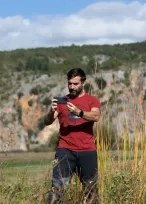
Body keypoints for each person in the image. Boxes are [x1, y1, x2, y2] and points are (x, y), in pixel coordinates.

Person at [44, 68, 101, 203]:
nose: (72, 87)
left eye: (75, 84)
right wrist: (51, 112)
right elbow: (47, 122)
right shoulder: (62, 101)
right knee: (57, 188)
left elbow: (96, 116)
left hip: (87, 151)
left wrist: (79, 112)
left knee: (91, 190)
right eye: (70, 83)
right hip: (65, 151)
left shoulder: (92, 100)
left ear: (83, 82)